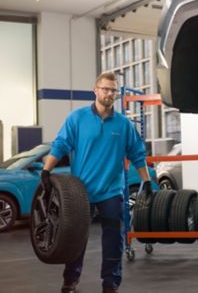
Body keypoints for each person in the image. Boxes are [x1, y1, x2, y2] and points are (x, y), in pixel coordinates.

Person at [41, 72, 153, 293]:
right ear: (95, 90)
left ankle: (111, 283)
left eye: (113, 90)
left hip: (112, 191)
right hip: (80, 192)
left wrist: (146, 182)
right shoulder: (77, 118)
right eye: (105, 89)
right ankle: (70, 280)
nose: (110, 93)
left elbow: (138, 154)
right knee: (76, 239)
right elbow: (61, 144)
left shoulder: (123, 124)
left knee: (114, 240)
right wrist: (46, 170)